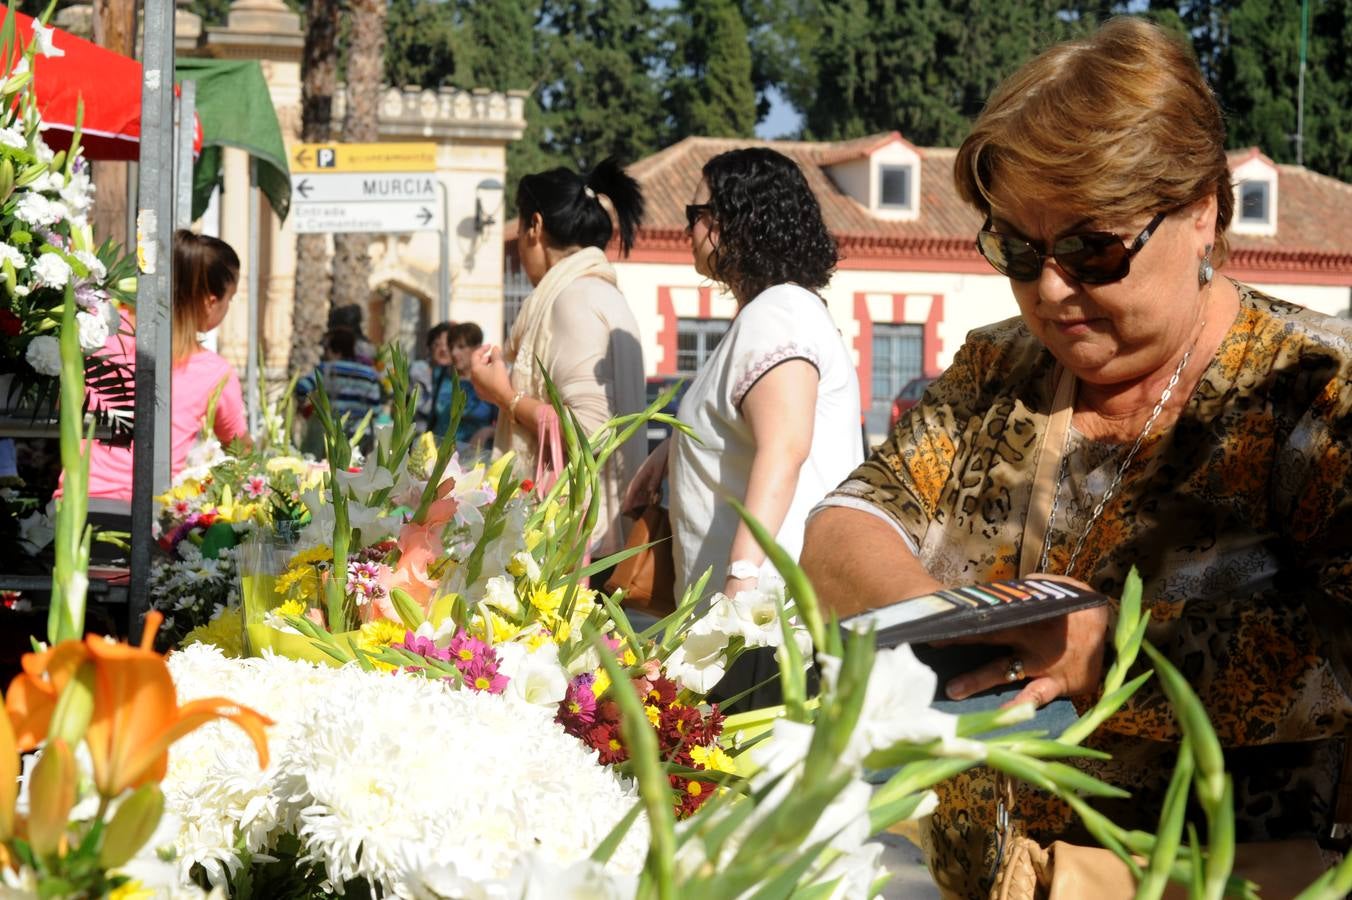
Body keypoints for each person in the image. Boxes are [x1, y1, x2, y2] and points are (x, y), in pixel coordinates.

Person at [799, 18, 1351, 896]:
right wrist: (954, 622)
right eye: (1018, 249)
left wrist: (1111, 653)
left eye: (1092, 249)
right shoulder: (1000, 367)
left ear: (1204, 209)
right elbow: (841, 527)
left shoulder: (1314, 393)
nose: (1050, 289)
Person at [626, 147, 863, 606]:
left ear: (735, 221)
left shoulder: (780, 313)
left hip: (764, 617)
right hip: (755, 612)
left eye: (696, 213)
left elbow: (785, 448)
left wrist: (740, 582)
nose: (688, 229)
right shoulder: (773, 312)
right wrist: (672, 449)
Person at [468, 158, 646, 557]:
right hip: (590, 541)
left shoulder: (574, 300)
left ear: (534, 225)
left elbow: (590, 431)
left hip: (576, 549)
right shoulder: (597, 293)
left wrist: (505, 396)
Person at [81, 230, 249, 501]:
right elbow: (241, 451)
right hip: (146, 521)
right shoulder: (214, 371)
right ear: (211, 302)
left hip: (73, 509)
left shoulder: (103, 327)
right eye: (230, 297)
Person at [295, 327, 385, 453]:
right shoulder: (369, 373)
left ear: (336, 350)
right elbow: (376, 410)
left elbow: (302, 387)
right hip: (361, 435)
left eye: (326, 349)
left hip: (331, 434)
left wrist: (304, 406)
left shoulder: (327, 369)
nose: (324, 354)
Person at [445, 322, 496, 461]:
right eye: (451, 347)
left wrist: (488, 431)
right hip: (438, 458)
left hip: (474, 459)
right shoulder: (441, 378)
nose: (454, 353)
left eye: (461, 347)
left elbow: (505, 426)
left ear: (477, 348)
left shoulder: (489, 382)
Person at [411, 322, 453, 435]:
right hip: (418, 435)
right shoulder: (419, 370)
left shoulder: (455, 375)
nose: (443, 349)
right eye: (437, 344)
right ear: (429, 347)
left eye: (448, 344)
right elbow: (418, 406)